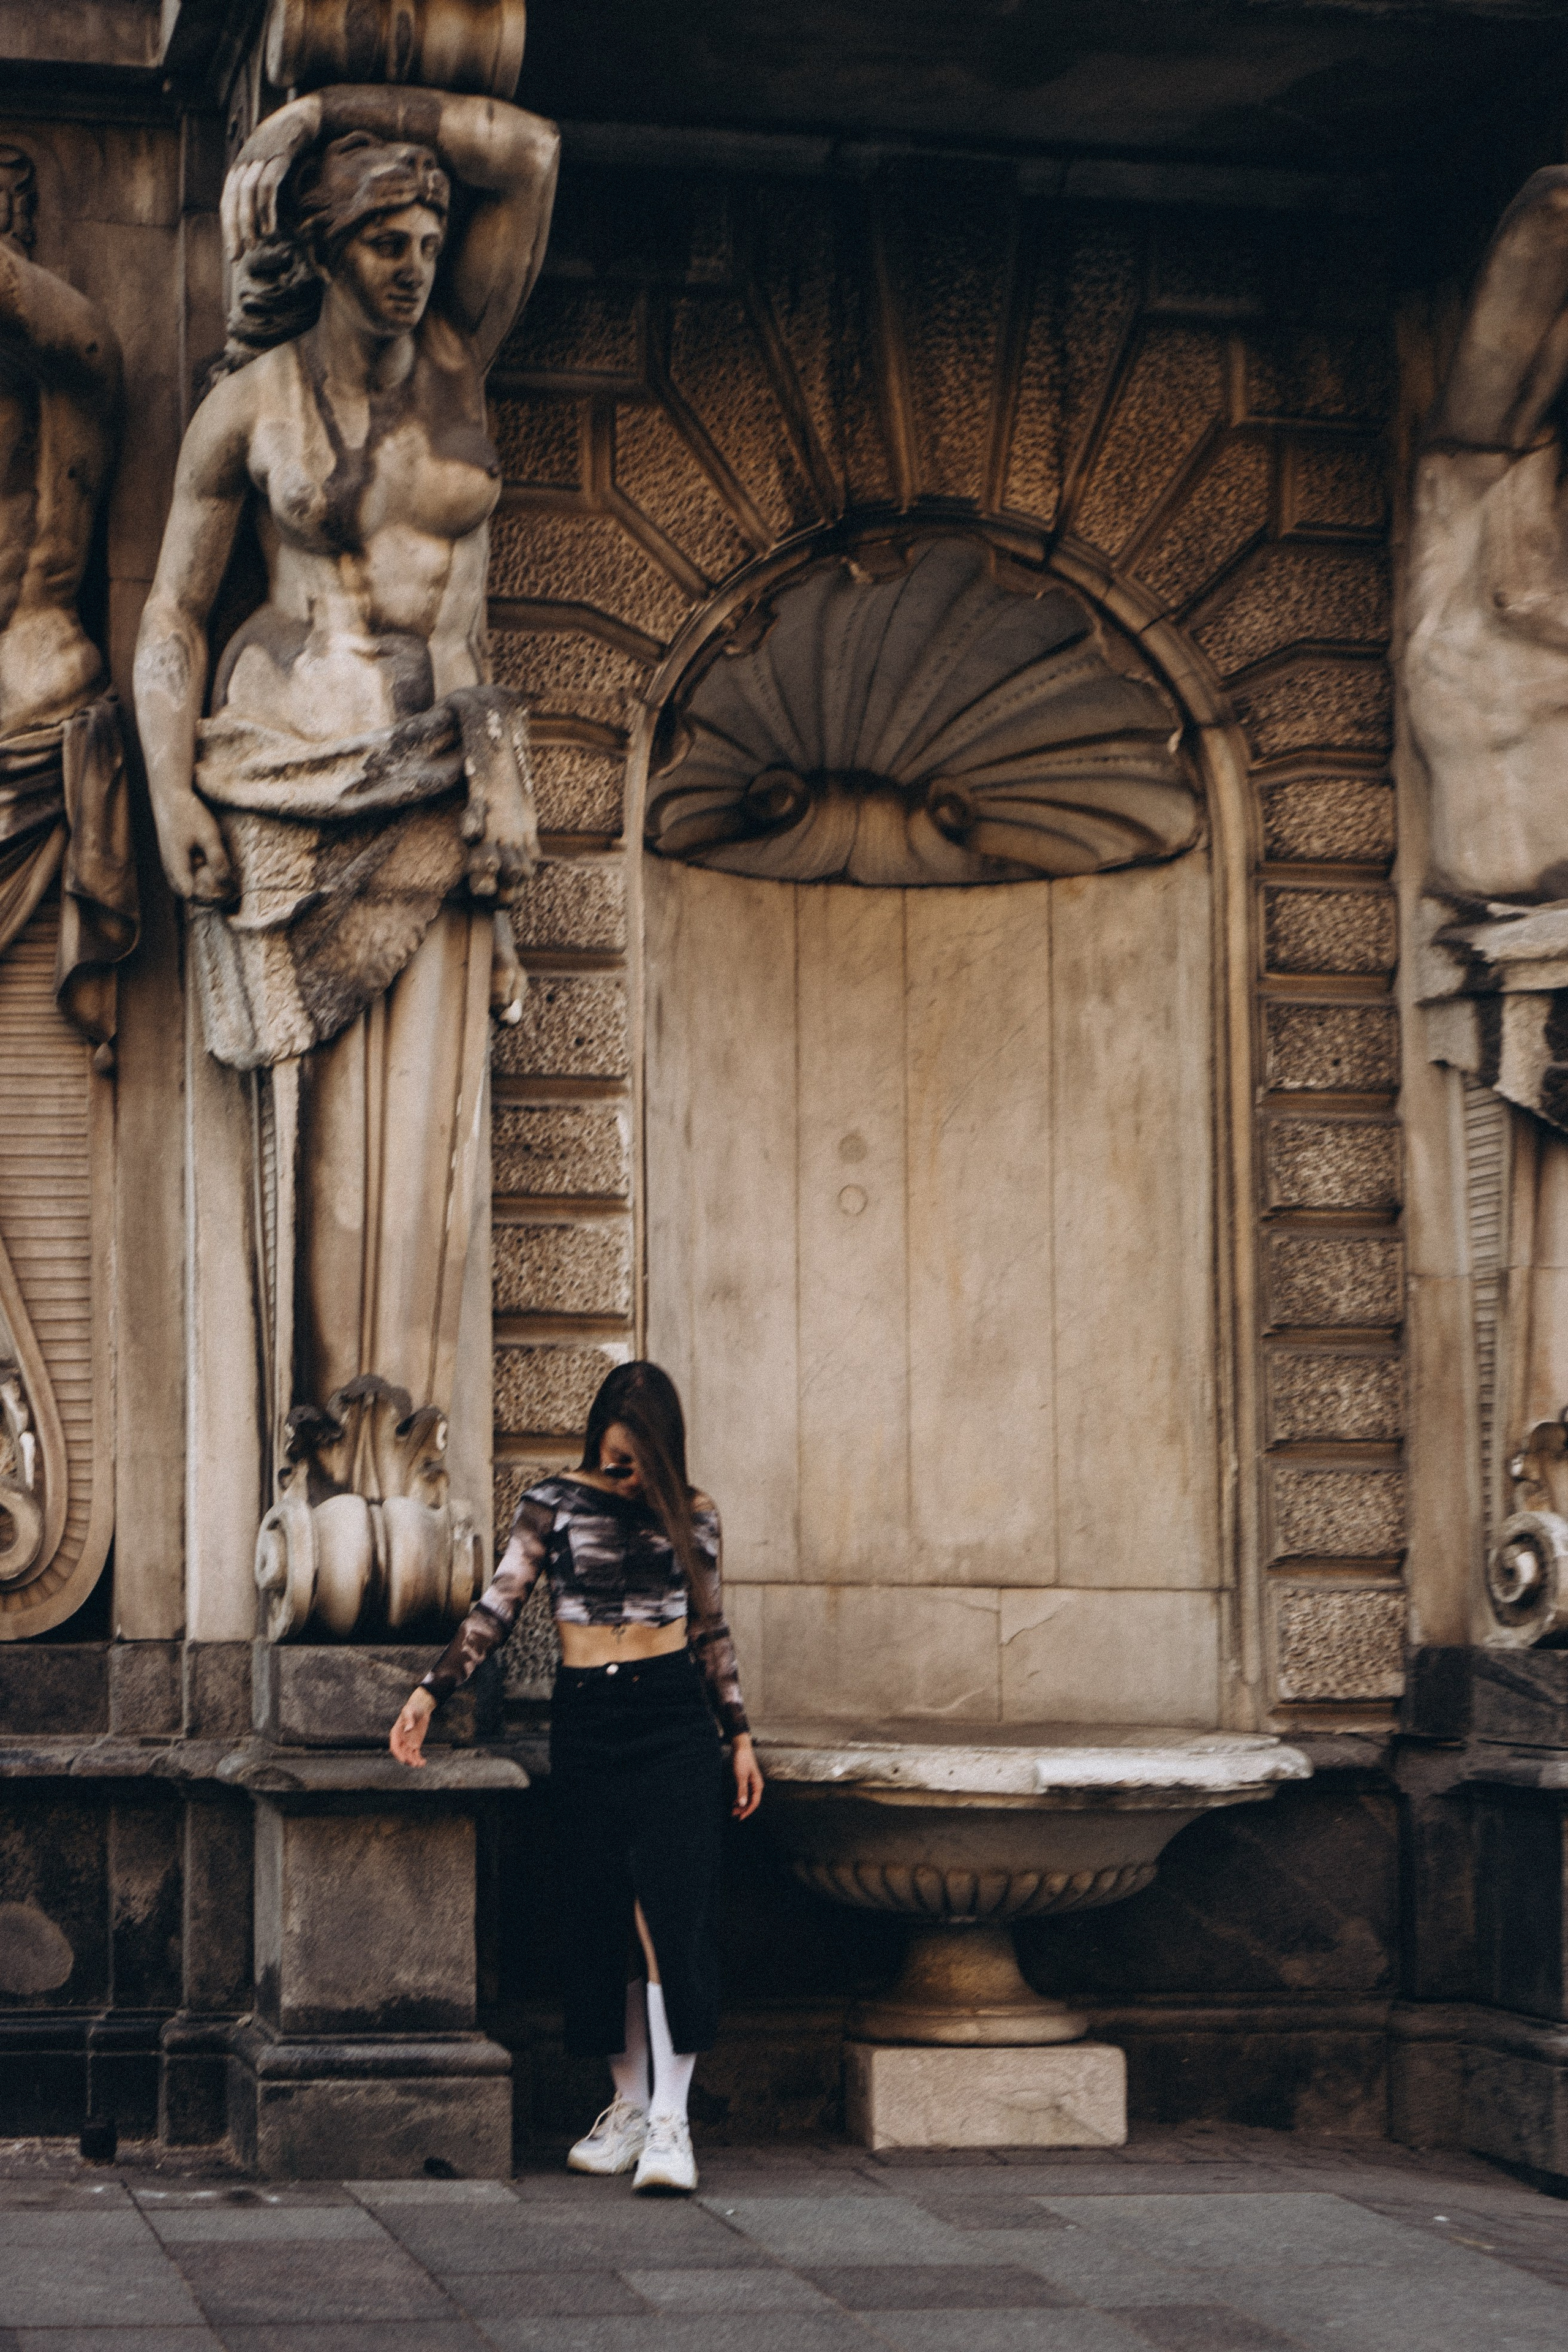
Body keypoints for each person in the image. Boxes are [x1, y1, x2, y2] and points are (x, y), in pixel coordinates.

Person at [132, 88, 557, 1586]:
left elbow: (534, 155)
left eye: (429, 237)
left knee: (426, 1149)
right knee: (312, 1140)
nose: (414, 263)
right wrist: (173, 789)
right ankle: (320, 1452)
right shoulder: (251, 407)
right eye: (382, 236)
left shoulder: (461, 361)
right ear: (321, 247)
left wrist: (336, 99)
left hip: (438, 769)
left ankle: (404, 1444)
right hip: (285, 773)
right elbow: (172, 616)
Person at [391, 1362, 763, 2194]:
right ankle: (629, 2106)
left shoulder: (695, 1515)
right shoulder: (555, 1503)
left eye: (634, 1460)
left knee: (670, 1913)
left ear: (662, 1452)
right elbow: (499, 1604)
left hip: (673, 1721)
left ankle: (673, 2122)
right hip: (588, 1720)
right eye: (609, 1455)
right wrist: (430, 1690)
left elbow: (711, 1631)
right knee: (600, 1915)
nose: (619, 1471)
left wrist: (738, 1734)